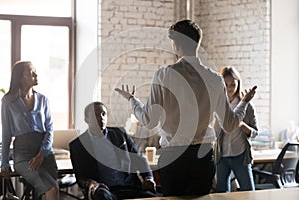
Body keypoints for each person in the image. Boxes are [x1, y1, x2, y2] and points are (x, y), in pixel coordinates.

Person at [115, 19, 257, 196]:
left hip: (173, 157)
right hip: (203, 156)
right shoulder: (214, 79)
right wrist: (244, 102)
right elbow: (229, 124)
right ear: (197, 43)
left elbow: (149, 121)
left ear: (175, 45)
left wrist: (132, 100)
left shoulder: (164, 76)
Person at [69, 102, 156, 200]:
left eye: (103, 114)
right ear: (86, 119)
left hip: (129, 187)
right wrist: (92, 184)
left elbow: (139, 158)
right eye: (95, 114)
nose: (101, 118)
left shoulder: (120, 134)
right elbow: (81, 177)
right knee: (101, 195)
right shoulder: (78, 145)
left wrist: (148, 177)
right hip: (105, 190)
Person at [0, 61, 59, 200]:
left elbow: (49, 128)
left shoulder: (43, 100)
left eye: (35, 71)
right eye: (31, 72)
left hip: (45, 154)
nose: (36, 74)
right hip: (24, 155)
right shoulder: (8, 101)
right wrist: (4, 163)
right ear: (20, 78)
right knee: (51, 189)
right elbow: (6, 133)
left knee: (47, 193)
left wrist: (42, 153)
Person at [215, 66, 258, 192]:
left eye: (232, 84)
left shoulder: (247, 106)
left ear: (238, 84)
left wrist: (242, 126)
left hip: (240, 155)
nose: (229, 88)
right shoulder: (218, 105)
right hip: (222, 156)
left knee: (248, 191)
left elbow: (255, 133)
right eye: (225, 84)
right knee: (222, 193)